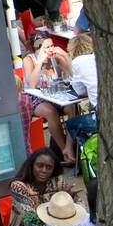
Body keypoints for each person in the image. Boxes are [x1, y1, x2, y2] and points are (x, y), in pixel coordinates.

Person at [21, 35, 73, 163]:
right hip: (36, 96)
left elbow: (72, 74)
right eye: (46, 47)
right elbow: (32, 84)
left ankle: (69, 146)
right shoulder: (29, 59)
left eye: (51, 46)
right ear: (37, 49)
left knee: (73, 108)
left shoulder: (54, 58)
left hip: (56, 93)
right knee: (50, 112)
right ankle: (63, 151)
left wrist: (64, 56)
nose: (50, 49)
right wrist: (39, 62)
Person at [61, 33, 99, 146]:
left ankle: (88, 152)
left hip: (98, 119)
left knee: (71, 124)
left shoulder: (77, 62)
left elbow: (80, 92)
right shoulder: (97, 58)